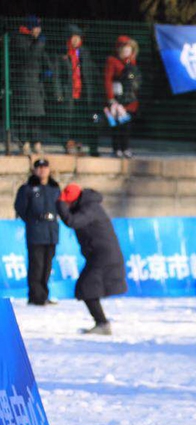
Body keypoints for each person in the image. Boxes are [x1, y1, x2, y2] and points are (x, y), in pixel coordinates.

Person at [55, 183, 127, 335]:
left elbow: (72, 221)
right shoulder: (88, 205)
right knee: (86, 288)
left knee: (86, 287)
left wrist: (60, 204)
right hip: (99, 254)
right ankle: (101, 322)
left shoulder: (90, 208)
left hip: (104, 255)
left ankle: (102, 323)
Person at [14, 158, 61, 305]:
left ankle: (44, 294)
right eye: (39, 167)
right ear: (34, 170)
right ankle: (35, 296)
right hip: (36, 232)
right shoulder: (27, 188)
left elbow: (60, 206)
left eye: (44, 167)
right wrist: (33, 220)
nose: (42, 170)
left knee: (47, 265)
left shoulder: (54, 188)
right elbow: (20, 208)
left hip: (51, 232)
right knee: (36, 264)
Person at [55, 25, 99, 156]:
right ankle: (68, 143)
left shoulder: (85, 53)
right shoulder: (62, 53)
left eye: (78, 37)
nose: (75, 40)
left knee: (84, 119)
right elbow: (57, 75)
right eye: (73, 37)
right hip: (69, 92)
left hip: (84, 93)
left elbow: (91, 73)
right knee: (67, 119)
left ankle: (80, 144)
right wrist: (59, 93)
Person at [12, 16, 51, 155]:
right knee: (24, 115)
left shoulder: (37, 42)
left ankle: (37, 142)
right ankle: (24, 143)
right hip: (23, 83)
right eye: (36, 27)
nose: (38, 30)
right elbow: (30, 57)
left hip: (36, 84)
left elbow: (43, 59)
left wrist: (47, 70)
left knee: (36, 115)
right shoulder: (19, 39)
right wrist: (39, 44)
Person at [103, 36, 141, 158]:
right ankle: (116, 148)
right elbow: (108, 80)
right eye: (124, 49)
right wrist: (110, 97)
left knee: (126, 124)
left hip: (129, 100)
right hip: (116, 98)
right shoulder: (112, 61)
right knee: (115, 123)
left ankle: (125, 148)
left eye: (128, 49)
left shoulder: (132, 63)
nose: (126, 52)